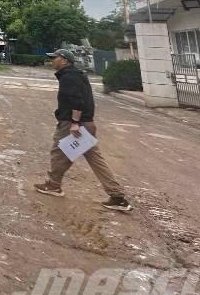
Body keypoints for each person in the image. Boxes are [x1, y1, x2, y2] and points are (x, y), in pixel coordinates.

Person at [34, 48, 132, 211]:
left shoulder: (68, 77)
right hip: (87, 123)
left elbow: (76, 101)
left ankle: (53, 185)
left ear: (64, 60)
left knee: (59, 152)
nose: (52, 61)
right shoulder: (77, 75)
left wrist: (74, 122)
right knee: (94, 158)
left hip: (73, 124)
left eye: (55, 58)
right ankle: (117, 196)